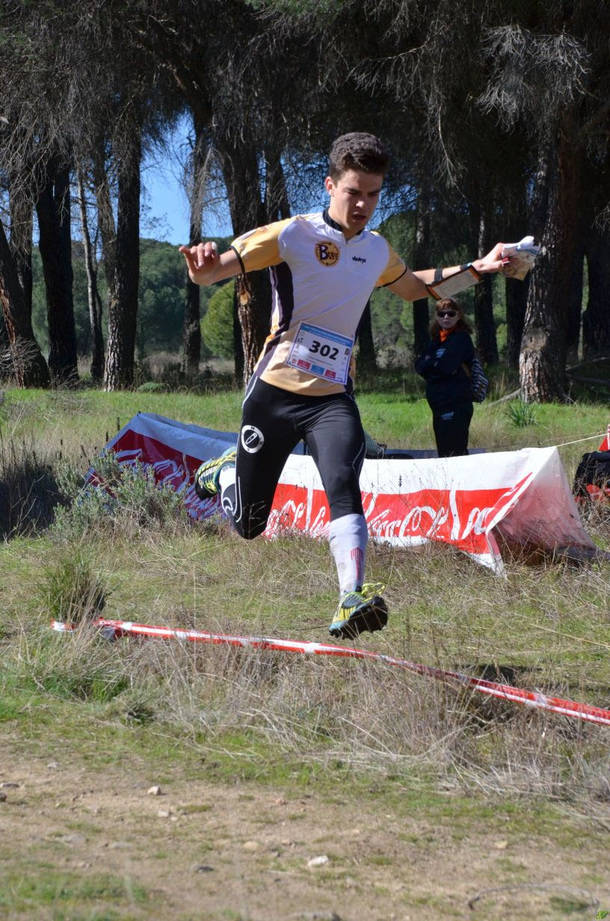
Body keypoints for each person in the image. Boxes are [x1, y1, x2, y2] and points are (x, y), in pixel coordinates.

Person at [180, 132, 506, 640]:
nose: (363, 205)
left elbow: (416, 288)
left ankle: (349, 597)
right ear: (330, 184)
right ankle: (227, 472)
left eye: (374, 194)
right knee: (248, 525)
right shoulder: (291, 235)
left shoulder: (376, 250)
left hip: (332, 399)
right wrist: (201, 270)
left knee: (343, 485)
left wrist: (478, 270)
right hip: (274, 394)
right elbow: (213, 273)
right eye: (354, 192)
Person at [415, 297, 476, 457]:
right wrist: (434, 364)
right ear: (436, 317)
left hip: (457, 402)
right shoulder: (435, 340)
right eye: (442, 314)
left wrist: (432, 364)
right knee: (443, 449)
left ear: (458, 315)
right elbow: (420, 366)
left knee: (456, 449)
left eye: (451, 313)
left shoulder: (461, 338)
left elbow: (446, 366)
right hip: (438, 404)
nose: (446, 318)